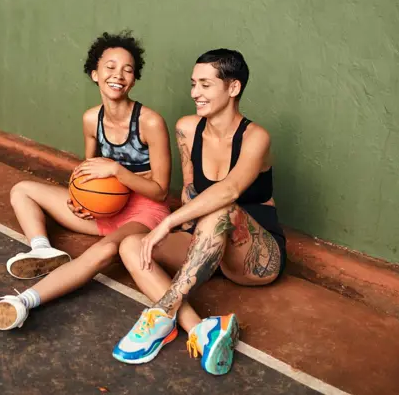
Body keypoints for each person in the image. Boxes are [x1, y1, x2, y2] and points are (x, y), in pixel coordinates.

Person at [0, 30, 172, 330]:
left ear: (134, 79)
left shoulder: (150, 122)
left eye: (128, 69)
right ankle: (42, 249)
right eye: (110, 67)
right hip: (106, 211)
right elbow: (87, 170)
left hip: (144, 213)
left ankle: (21, 302)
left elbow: (159, 192)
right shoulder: (91, 119)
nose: (118, 74)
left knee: (105, 250)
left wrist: (117, 171)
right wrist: (78, 199)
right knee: (22, 190)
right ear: (95, 74)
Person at [111, 49, 287, 376]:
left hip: (254, 256)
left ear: (232, 88)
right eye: (193, 84)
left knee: (222, 210)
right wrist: (177, 229)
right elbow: (191, 191)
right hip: (207, 246)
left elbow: (230, 191)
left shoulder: (255, 137)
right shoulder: (187, 129)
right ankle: (199, 329)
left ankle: (162, 314)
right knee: (131, 245)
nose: (195, 93)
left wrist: (168, 222)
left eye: (205, 85)